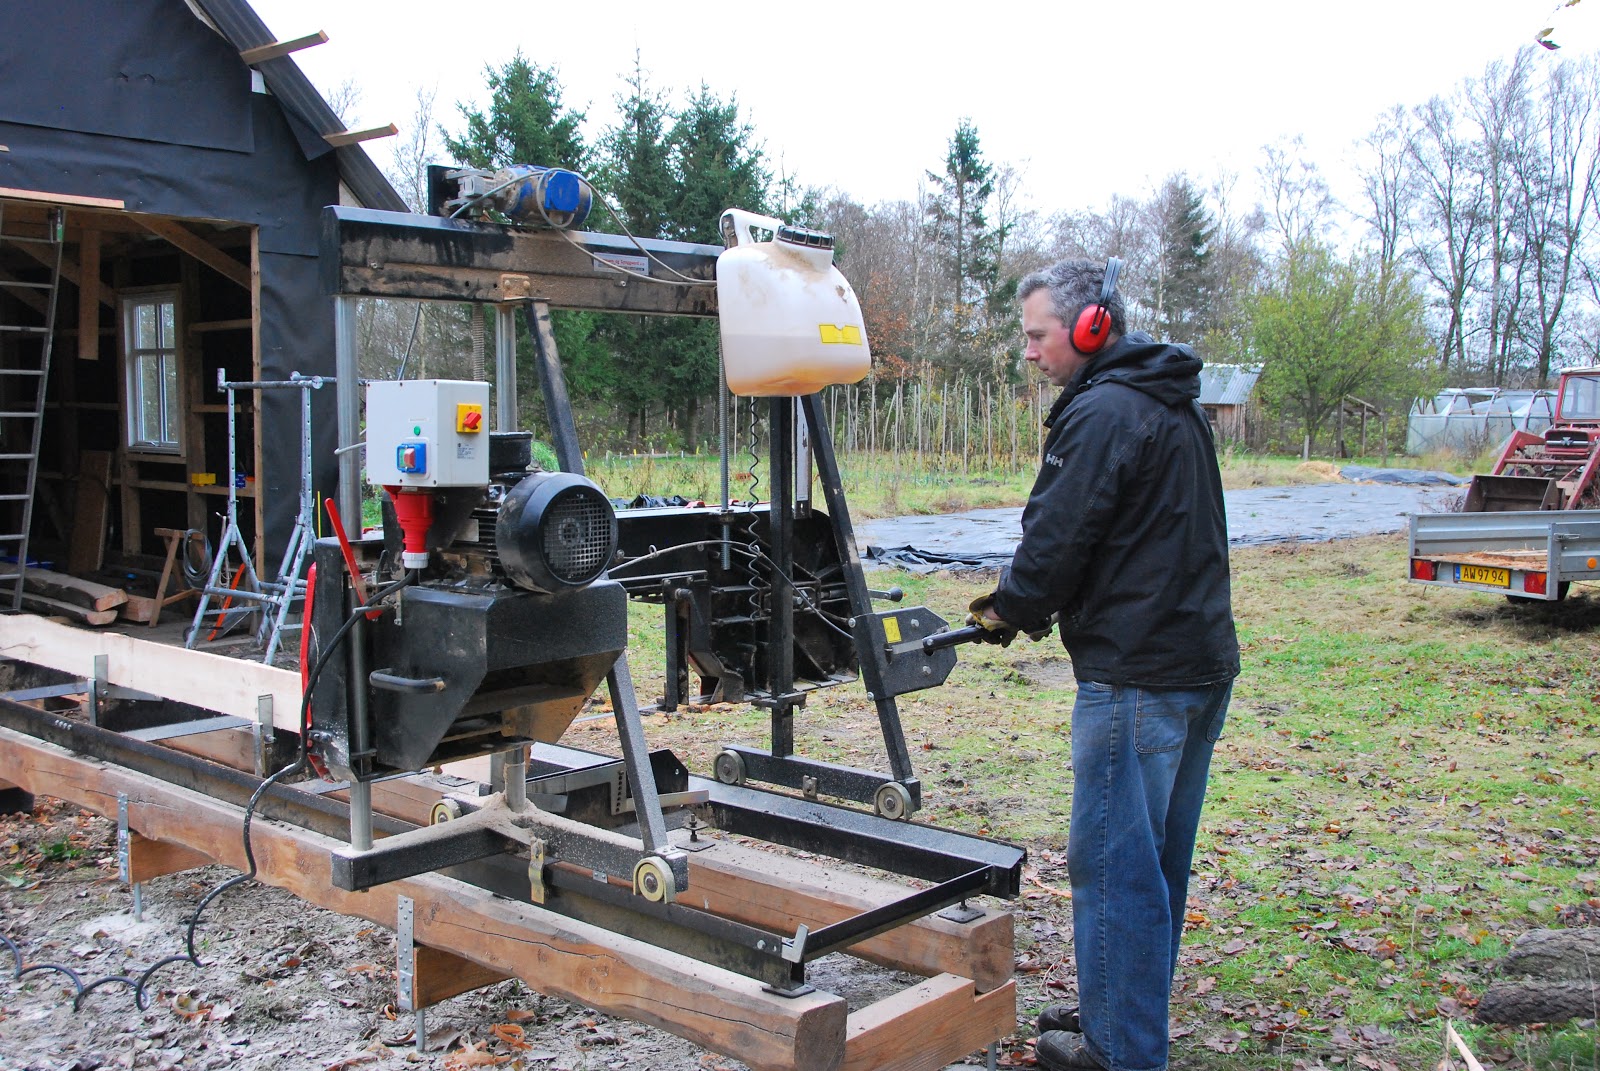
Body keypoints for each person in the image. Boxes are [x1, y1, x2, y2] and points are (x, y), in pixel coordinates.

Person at [970, 257, 1239, 1071]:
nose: (1028, 351)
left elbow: (1055, 542)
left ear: (1090, 328)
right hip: (1197, 666)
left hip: (1137, 676)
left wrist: (1008, 607)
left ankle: (1120, 1053)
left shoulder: (1102, 411)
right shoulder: (1169, 397)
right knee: (1155, 864)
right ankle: (1119, 1016)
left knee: (1116, 869)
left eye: (1037, 335)